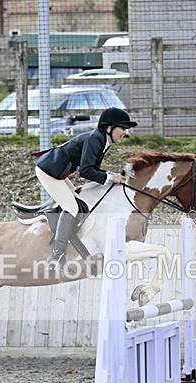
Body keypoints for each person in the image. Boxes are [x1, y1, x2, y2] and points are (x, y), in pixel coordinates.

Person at [34, 107, 136, 270]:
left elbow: (93, 169)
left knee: (79, 206)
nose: (125, 132)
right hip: (49, 171)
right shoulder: (96, 139)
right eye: (122, 128)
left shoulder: (103, 141)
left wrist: (111, 175)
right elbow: (86, 171)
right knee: (72, 208)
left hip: (58, 171)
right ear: (109, 128)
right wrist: (110, 178)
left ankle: (79, 252)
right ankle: (56, 256)